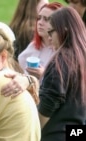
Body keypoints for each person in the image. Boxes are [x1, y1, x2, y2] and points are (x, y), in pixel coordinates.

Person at [39, 7, 86, 140]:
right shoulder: (82, 57)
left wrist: (33, 131)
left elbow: (48, 105)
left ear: (64, 29)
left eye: (51, 32)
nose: (48, 38)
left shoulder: (61, 61)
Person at [18, 2, 63, 79]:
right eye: (39, 18)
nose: (40, 23)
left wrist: (44, 75)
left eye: (46, 19)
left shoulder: (64, 52)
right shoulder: (33, 46)